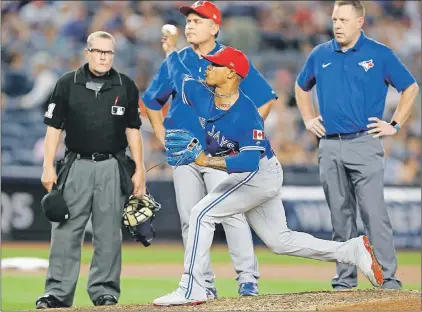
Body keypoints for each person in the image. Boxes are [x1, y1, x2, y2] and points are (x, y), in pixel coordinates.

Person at [152, 39, 384, 306]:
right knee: (280, 241)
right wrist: (170, 49)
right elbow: (179, 71)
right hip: (249, 175)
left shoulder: (246, 113)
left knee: (201, 213)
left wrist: (206, 161)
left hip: (259, 173)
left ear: (230, 72)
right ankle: (352, 250)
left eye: (213, 64)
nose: (206, 67)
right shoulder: (199, 92)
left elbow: (249, 163)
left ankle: (192, 287)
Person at [143, 1, 278, 297]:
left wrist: (240, 137)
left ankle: (247, 279)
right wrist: (161, 134)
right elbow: (152, 101)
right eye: (188, 20)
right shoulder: (176, 61)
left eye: (197, 20)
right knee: (190, 219)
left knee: (230, 214)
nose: (189, 25)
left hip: (219, 153)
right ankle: (202, 284)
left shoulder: (230, 60)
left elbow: (266, 99)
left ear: (214, 28)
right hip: (186, 155)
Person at [294, 0, 419, 290]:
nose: (337, 24)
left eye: (343, 20)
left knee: (374, 214)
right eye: (335, 19)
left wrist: (395, 124)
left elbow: (410, 86)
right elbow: (301, 87)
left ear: (360, 22)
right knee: (340, 217)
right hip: (329, 144)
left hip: (365, 143)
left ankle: (387, 279)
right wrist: (308, 118)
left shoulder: (379, 53)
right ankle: (345, 281)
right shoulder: (320, 54)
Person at [36, 31, 146, 309]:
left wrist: (140, 169)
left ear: (113, 55)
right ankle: (57, 293)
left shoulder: (125, 85)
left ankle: (104, 292)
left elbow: (134, 130)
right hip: (76, 164)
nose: (103, 57)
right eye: (98, 51)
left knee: (108, 233)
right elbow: (53, 130)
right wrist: (48, 166)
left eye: (108, 52)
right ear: (87, 53)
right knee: (65, 230)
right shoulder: (67, 83)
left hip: (112, 165)